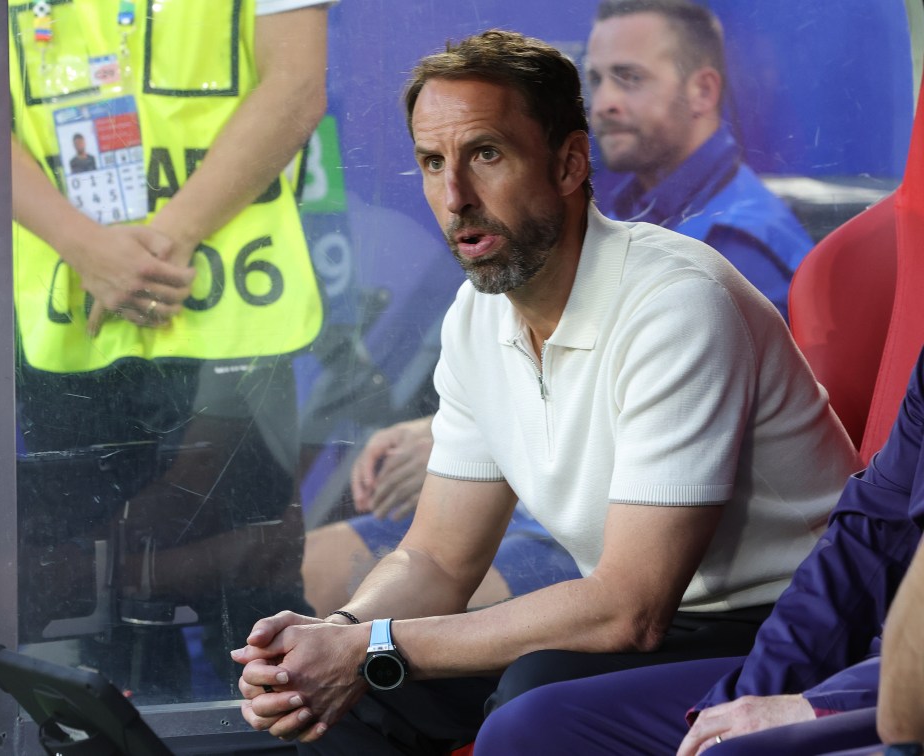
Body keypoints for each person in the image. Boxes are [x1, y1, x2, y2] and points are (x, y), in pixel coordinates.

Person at [231, 29, 859, 753]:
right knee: (348, 701)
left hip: (793, 627)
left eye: (485, 155)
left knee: (533, 696)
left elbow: (630, 609)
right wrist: (340, 635)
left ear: (569, 163)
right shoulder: (477, 316)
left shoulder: (677, 303)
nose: (455, 196)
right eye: (432, 164)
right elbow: (437, 558)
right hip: (660, 623)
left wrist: (377, 645)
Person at [9, 0, 333, 701]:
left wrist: (160, 245)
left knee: (256, 607)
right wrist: (83, 245)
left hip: (231, 323)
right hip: (69, 328)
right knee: (95, 615)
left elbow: (297, 84)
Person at [471, 346, 924, 756]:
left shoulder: (687, 302)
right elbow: (872, 533)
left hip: (893, 688)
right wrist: (747, 701)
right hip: (879, 656)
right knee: (529, 728)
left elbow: (628, 603)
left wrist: (825, 705)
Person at [588, 0, 813, 320]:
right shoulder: (627, 212)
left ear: (703, 91)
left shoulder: (738, 251)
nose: (602, 103)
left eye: (630, 77)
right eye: (597, 80)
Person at [302, 413, 582, 616]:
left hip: (569, 526)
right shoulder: (475, 331)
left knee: (429, 617)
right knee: (305, 566)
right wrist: (438, 429)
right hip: (486, 490)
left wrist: (469, 448)